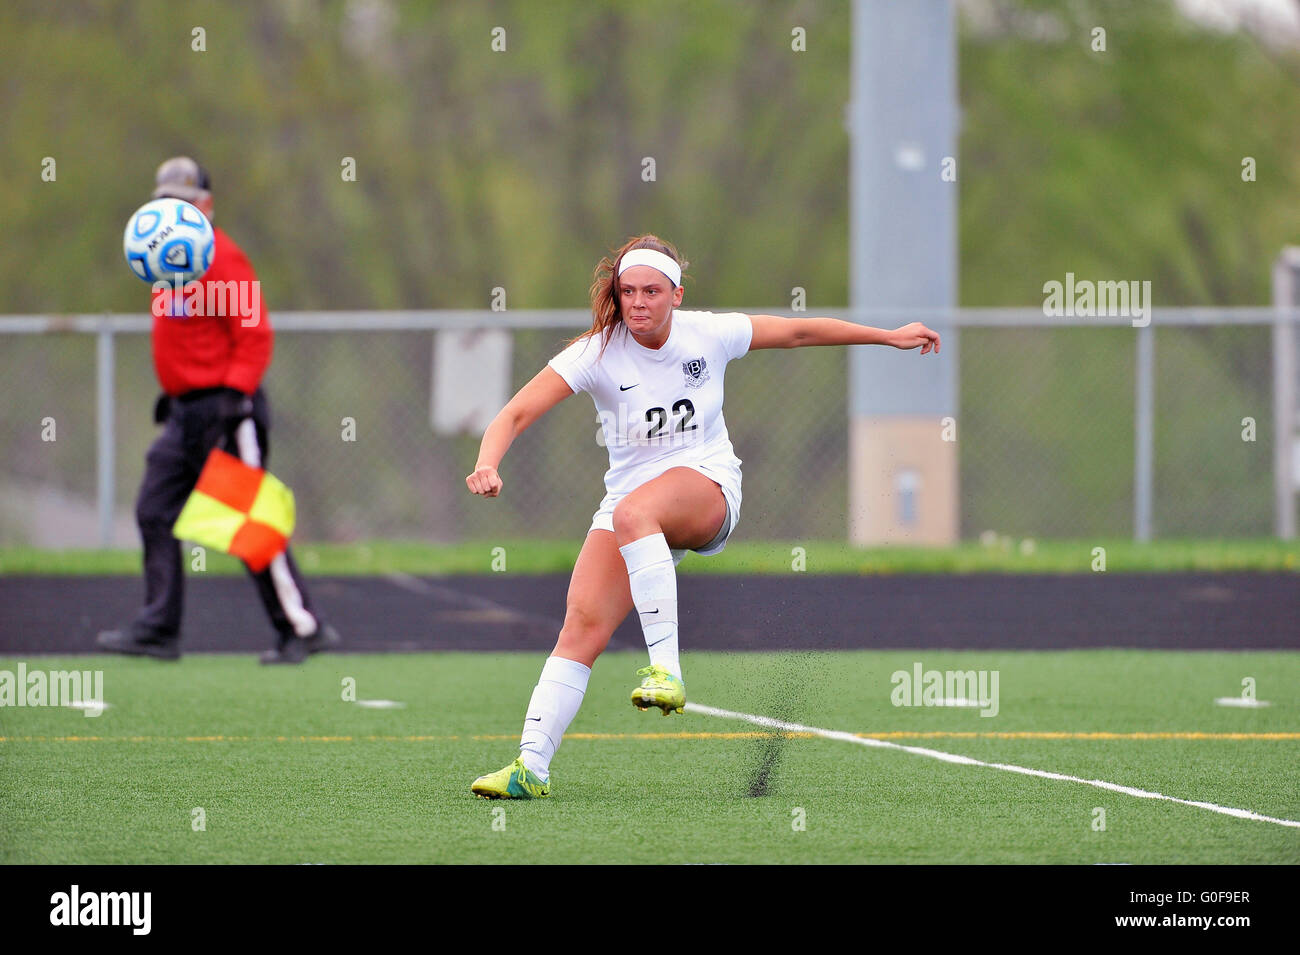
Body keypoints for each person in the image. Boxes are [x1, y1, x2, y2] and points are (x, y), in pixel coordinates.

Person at [465, 235, 940, 798]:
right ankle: (530, 769)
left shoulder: (708, 333)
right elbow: (515, 412)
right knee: (580, 629)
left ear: (676, 295)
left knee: (636, 512)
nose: (638, 301)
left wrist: (886, 336)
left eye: (651, 291)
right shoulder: (596, 352)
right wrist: (486, 463)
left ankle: (666, 671)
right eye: (627, 291)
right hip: (630, 510)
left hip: (708, 489)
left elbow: (799, 331)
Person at [97, 156, 339, 665]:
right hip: (186, 414)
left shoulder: (220, 257)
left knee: (250, 521)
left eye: (184, 202)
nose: (175, 210)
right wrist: (178, 390)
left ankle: (303, 627)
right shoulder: (165, 261)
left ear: (206, 206)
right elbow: (188, 336)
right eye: (166, 200)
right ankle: (159, 628)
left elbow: (254, 336)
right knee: (154, 509)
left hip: (228, 412)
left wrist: (232, 395)